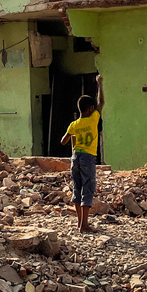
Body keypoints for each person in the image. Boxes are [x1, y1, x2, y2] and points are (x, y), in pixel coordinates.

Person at [60, 75, 105, 232]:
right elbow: (101, 102)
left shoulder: (74, 124)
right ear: (90, 109)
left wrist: (73, 134)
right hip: (88, 157)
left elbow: (63, 141)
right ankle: (84, 225)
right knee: (87, 189)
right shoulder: (93, 119)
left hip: (75, 157)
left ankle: (79, 223)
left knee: (77, 190)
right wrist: (99, 84)